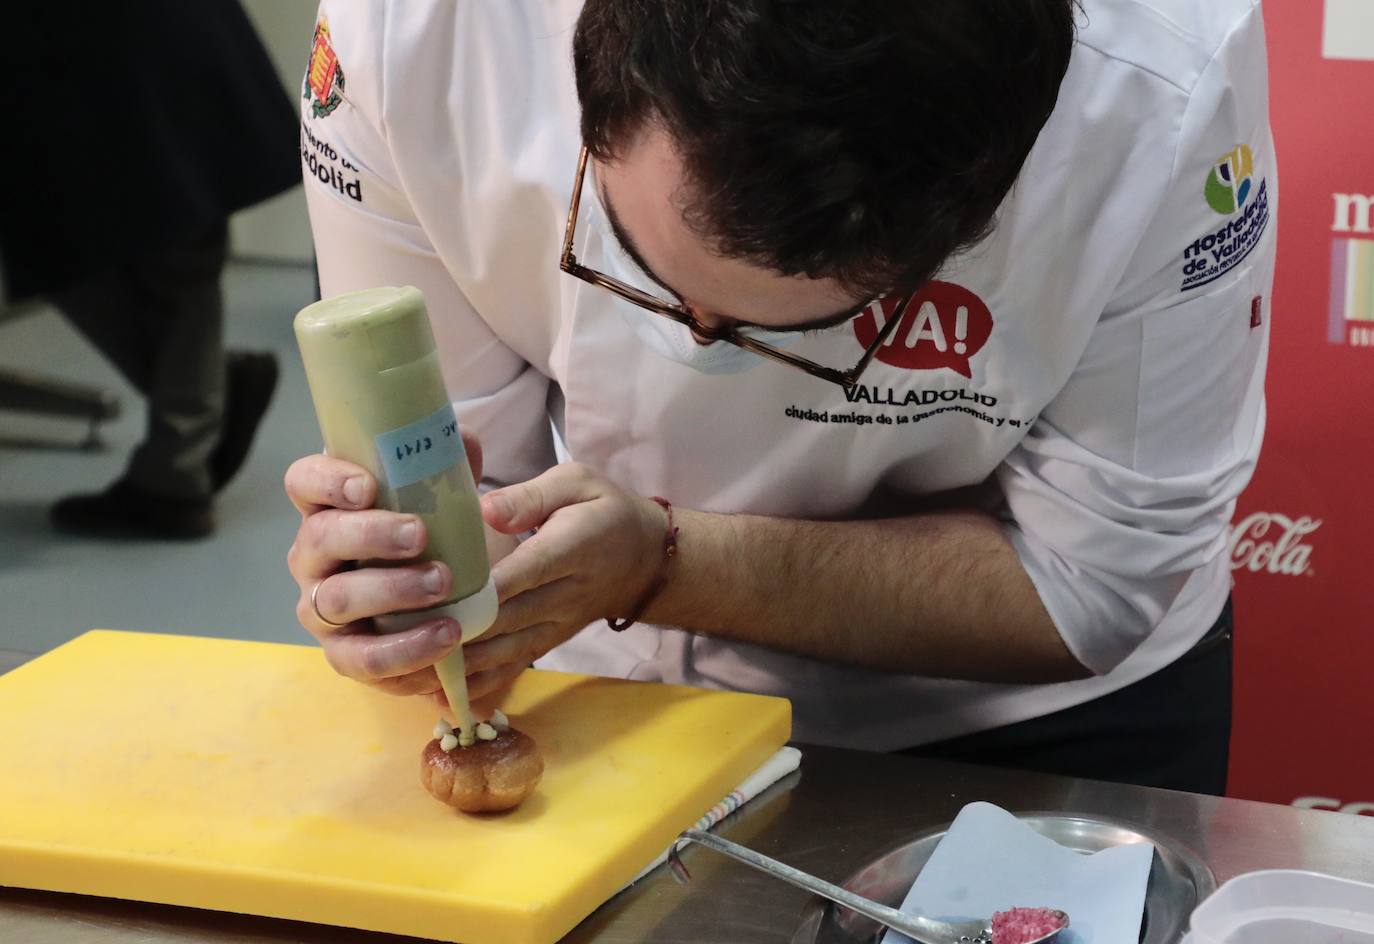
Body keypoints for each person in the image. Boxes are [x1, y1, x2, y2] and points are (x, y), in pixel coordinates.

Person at [285, 0, 1275, 794]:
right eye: (653, 285)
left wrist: (660, 562)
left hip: (1025, 729)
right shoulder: (418, 30)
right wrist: (426, 576)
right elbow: (474, 475)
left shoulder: (1163, 85)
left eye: (797, 333)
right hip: (606, 701)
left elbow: (1084, 584)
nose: (700, 348)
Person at [0, 2, 295, 539]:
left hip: (91, 52)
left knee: (71, 243)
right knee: (178, 236)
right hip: (165, 38)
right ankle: (195, 420)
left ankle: (181, 459)